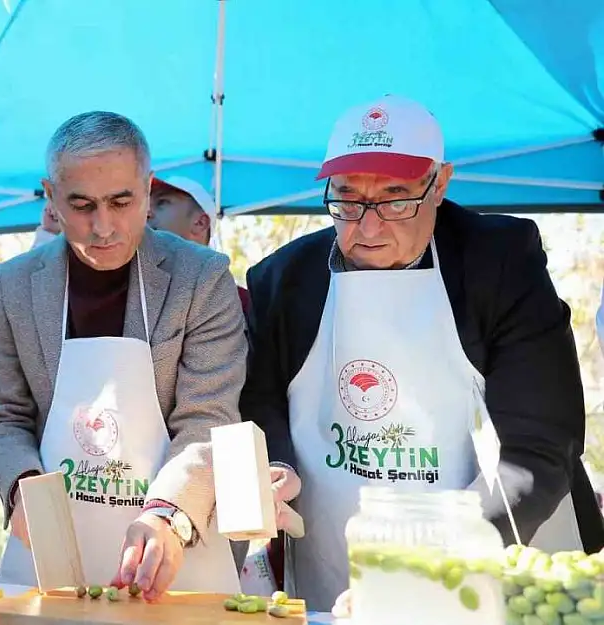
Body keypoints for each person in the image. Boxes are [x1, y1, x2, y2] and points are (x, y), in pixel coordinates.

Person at [239, 94, 604, 613]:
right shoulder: (283, 280)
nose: (368, 227)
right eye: (347, 199)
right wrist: (272, 465)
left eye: (395, 199)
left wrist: (431, 562)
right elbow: (262, 403)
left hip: (498, 547)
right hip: (335, 560)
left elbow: (541, 444)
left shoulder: (499, 262)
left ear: (441, 184)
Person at [0, 111, 245, 600]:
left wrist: (166, 515)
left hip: (173, 547)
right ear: (51, 197)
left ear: (146, 191)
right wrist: (23, 487)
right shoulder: (10, 287)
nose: (103, 227)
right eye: (81, 205)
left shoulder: (202, 279)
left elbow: (208, 418)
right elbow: (3, 413)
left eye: (121, 202)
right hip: (51, 547)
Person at [148, 176, 251, 315]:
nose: (146, 213)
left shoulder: (242, 305)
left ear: (200, 223)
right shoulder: (132, 298)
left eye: (161, 202)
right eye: (145, 205)